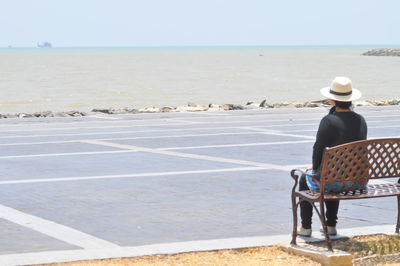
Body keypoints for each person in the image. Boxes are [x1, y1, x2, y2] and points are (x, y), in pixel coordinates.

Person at [297, 77, 368, 237]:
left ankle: (306, 227)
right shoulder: (360, 120)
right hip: (358, 181)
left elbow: (318, 149)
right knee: (333, 174)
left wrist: (315, 168)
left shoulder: (329, 121)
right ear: (351, 100)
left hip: (334, 181)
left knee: (306, 179)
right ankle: (330, 225)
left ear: (332, 100)